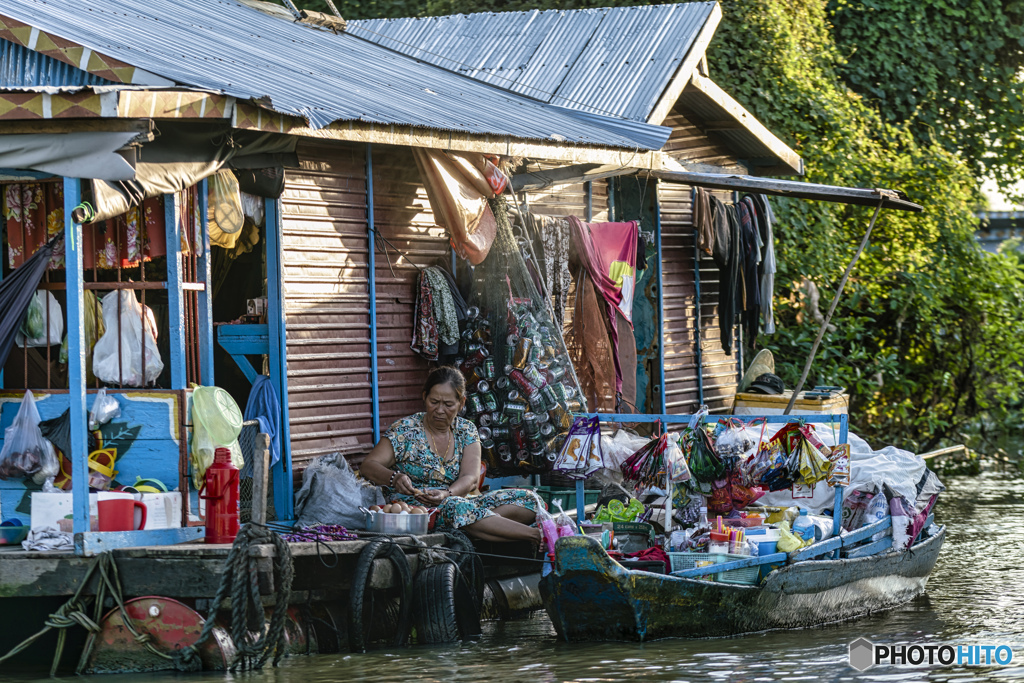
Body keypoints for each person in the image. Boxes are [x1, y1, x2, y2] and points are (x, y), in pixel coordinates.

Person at [361, 366, 542, 545]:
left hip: (457, 499)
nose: (440, 410)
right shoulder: (405, 430)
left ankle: (476, 523)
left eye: (448, 404)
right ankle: (536, 535)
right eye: (434, 402)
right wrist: (394, 478)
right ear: (424, 397)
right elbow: (368, 465)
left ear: (461, 403)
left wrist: (446, 493)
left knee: (531, 499)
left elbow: (470, 477)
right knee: (456, 507)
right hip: (419, 511)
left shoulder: (466, 430)